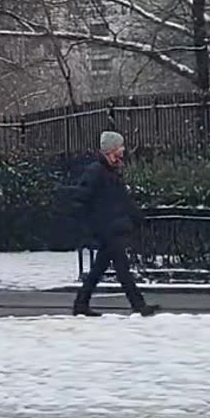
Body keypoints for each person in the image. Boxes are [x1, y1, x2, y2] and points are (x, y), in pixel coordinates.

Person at [68, 130, 160, 317]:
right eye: (119, 148)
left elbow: (122, 200)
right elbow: (81, 198)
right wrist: (88, 225)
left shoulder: (112, 172)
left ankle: (81, 303)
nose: (122, 152)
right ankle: (138, 305)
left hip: (112, 227)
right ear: (110, 150)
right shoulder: (96, 171)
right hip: (105, 228)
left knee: (99, 268)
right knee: (122, 269)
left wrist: (137, 216)